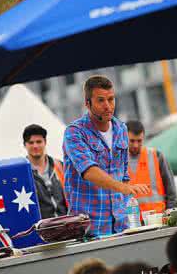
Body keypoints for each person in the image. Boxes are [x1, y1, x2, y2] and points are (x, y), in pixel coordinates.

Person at [63, 75, 149, 236]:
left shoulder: (121, 129)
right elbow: (89, 171)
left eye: (111, 99)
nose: (108, 106)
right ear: (87, 104)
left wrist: (128, 207)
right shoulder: (74, 132)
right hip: (89, 229)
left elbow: (123, 175)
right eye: (101, 100)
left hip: (122, 225)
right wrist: (124, 188)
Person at [126, 120, 177, 214]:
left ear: (143, 137)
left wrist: (171, 209)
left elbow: (170, 186)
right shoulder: (117, 161)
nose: (136, 145)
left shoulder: (156, 155)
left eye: (139, 141)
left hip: (157, 217)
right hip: (131, 220)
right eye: (132, 141)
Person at [23, 124, 68, 219]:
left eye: (39, 142)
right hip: (41, 228)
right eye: (31, 142)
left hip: (66, 223)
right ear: (25, 145)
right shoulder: (22, 172)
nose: (35, 146)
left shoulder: (59, 165)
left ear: (45, 142)